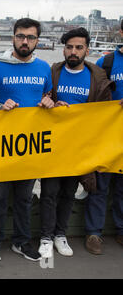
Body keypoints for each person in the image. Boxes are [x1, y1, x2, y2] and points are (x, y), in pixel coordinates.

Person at [38, 27, 114, 259]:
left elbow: (103, 112)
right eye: (69, 47)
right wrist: (46, 101)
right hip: (53, 145)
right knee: (49, 192)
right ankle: (45, 236)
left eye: (78, 47)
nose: (73, 51)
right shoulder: (52, 73)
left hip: (78, 148)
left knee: (68, 192)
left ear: (87, 50)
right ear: (63, 49)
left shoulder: (97, 77)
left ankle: (61, 234)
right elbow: (38, 100)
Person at [0, 18, 54, 263]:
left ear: (37, 40)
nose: (25, 41)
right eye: (21, 36)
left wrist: (50, 102)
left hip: (30, 146)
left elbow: (47, 97)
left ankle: (21, 242)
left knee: (25, 198)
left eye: (31, 37)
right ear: (13, 37)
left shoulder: (44, 68)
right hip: (2, 145)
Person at [84, 20, 123, 254]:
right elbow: (95, 98)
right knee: (100, 185)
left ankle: (121, 229)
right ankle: (94, 233)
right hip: (108, 135)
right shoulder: (106, 63)